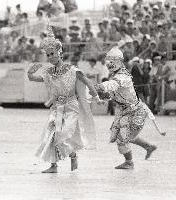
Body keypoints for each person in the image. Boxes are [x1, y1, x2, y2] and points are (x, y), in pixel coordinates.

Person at [27, 24, 101, 173]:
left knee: (63, 134)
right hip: (57, 107)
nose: (50, 57)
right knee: (52, 134)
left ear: (60, 53)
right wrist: (29, 73)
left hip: (71, 106)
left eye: (52, 53)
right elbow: (35, 79)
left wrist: (96, 96)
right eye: (48, 55)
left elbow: (87, 81)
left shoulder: (72, 70)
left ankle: (73, 155)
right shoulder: (49, 73)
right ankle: (53, 166)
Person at [93, 47, 157, 169]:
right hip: (124, 112)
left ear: (118, 61)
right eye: (108, 61)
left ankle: (129, 162)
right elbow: (111, 94)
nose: (109, 64)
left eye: (111, 61)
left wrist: (98, 87)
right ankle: (148, 147)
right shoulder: (118, 75)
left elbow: (112, 85)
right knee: (123, 135)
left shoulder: (123, 76)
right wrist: (98, 94)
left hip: (135, 111)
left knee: (124, 136)